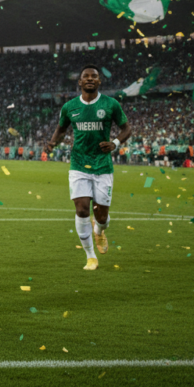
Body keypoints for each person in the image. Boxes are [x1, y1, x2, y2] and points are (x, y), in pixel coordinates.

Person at [44, 65, 132, 271]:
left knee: (102, 217)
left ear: (99, 81)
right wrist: (52, 143)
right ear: (80, 82)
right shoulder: (70, 107)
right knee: (82, 209)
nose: (90, 79)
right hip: (79, 164)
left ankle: (99, 231)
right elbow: (61, 129)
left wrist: (115, 143)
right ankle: (90, 256)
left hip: (102, 166)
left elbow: (126, 128)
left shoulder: (110, 104)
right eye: (86, 76)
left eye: (94, 76)